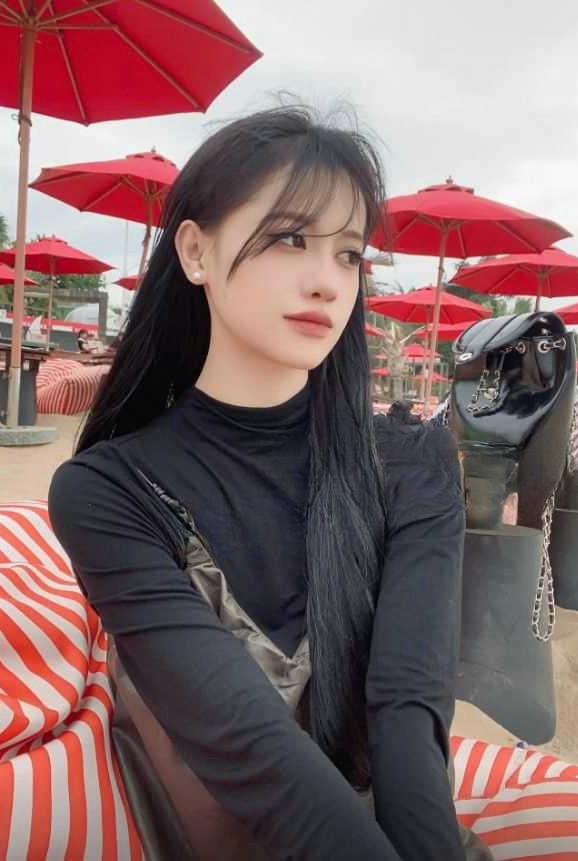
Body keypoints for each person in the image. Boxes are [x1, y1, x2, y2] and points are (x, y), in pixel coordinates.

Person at [49, 106, 490, 861]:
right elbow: (252, 749)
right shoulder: (110, 492)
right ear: (196, 251)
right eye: (289, 238)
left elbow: (407, 710)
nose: (326, 282)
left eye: (348, 254)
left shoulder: (412, 462)